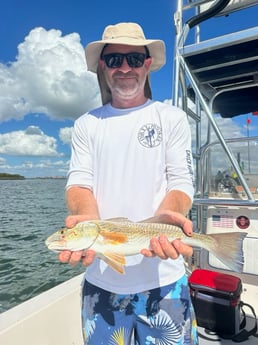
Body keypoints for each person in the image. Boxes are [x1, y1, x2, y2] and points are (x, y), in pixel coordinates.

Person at [59, 22, 198, 345]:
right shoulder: (87, 124)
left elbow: (181, 182)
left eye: (134, 60)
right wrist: (86, 221)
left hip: (166, 280)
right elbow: (80, 183)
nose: (125, 68)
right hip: (101, 283)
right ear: (102, 66)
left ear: (147, 65)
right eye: (115, 59)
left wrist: (165, 219)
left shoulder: (171, 118)